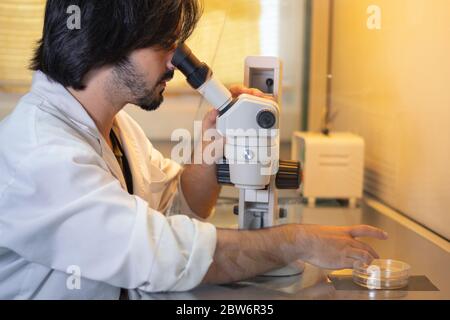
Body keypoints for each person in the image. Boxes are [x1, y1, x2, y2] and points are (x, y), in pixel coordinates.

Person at [0, 0, 387, 299]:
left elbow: (177, 206)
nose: (174, 62)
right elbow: (162, 253)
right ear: (106, 41)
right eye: (164, 44)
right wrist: (295, 241)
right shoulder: (39, 155)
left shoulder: (115, 127)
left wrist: (211, 151)